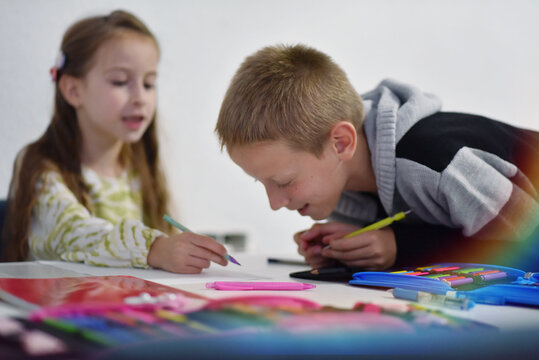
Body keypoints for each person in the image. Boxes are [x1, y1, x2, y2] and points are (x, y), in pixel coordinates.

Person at [215, 44, 539, 271]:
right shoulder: (338, 181)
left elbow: (529, 252)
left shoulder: (438, 163)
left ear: (341, 143)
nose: (274, 202)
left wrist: (402, 247)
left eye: (284, 181)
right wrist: (351, 251)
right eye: (262, 183)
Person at [1, 10, 229, 274]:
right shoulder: (40, 167)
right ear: (73, 91)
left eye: (149, 83)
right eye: (120, 81)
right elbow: (73, 233)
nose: (140, 97)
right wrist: (154, 248)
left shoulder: (138, 167)